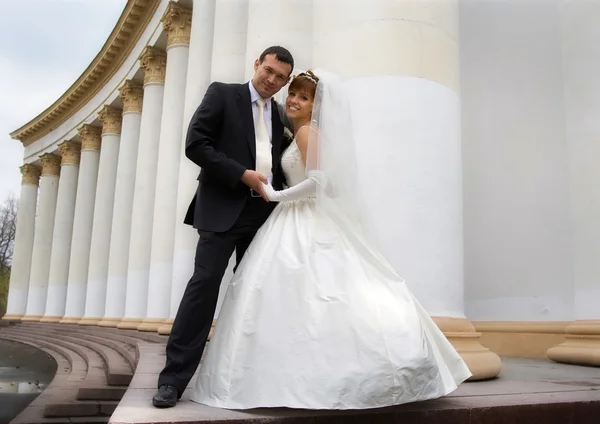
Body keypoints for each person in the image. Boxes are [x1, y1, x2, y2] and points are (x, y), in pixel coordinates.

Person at [189, 70, 473, 410]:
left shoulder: (308, 133)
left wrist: (275, 195)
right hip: (291, 219)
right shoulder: (296, 132)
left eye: (304, 97)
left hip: (300, 216)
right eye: (292, 93)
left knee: (318, 295)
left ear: (316, 105)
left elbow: (318, 182)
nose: (293, 100)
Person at [152, 46, 295, 408]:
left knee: (255, 295)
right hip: (221, 209)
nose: (272, 80)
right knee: (203, 288)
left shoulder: (280, 116)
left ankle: (248, 377)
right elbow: (195, 144)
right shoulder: (222, 93)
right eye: (269, 71)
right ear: (257, 65)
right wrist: (241, 175)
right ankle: (172, 379)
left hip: (262, 215)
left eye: (281, 77)